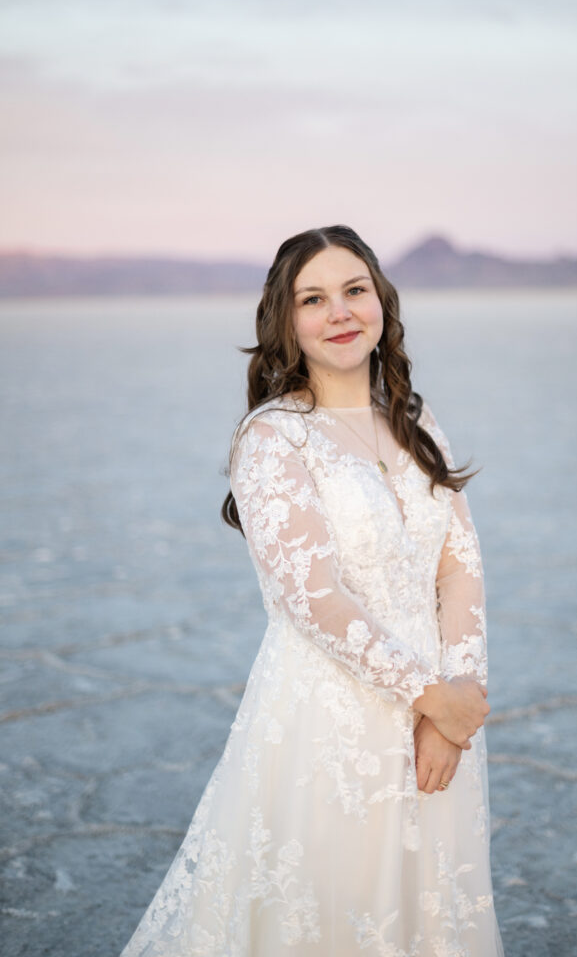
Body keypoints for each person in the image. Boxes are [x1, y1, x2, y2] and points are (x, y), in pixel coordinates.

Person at [120, 225, 504, 956]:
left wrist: (460, 704)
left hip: (440, 721)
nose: (340, 312)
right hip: (332, 719)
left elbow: (459, 567)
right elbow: (315, 598)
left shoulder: (415, 421)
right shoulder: (273, 439)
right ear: (285, 319)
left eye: (354, 290)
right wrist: (431, 696)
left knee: (428, 908)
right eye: (313, 298)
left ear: (381, 301)